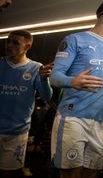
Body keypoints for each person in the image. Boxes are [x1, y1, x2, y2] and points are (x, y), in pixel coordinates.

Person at [50, 0, 103, 178]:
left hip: (100, 122)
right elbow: (54, 77)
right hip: (73, 118)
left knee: (91, 173)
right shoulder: (74, 40)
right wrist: (73, 81)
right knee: (71, 174)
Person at [0, 30, 53, 178]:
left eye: (15, 42)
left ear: (27, 46)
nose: (9, 45)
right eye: (8, 41)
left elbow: (46, 96)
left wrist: (43, 79)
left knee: (8, 173)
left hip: (17, 132)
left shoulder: (36, 68)